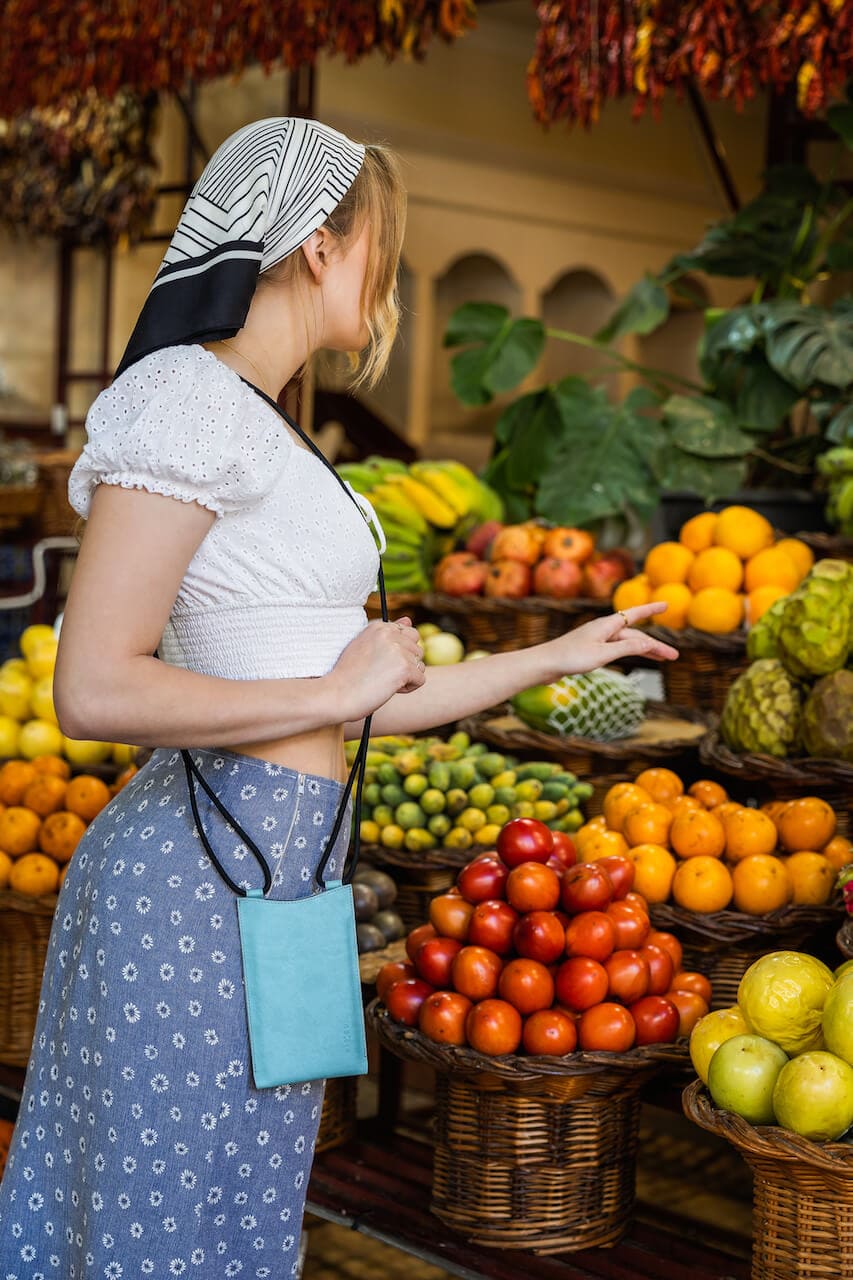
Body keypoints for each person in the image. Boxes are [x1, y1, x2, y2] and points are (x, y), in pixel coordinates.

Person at [0, 116, 677, 1278]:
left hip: (277, 890)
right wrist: (334, 679)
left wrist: (552, 655)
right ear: (320, 242)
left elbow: (350, 705)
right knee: (157, 1230)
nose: (392, 282)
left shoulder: (258, 417)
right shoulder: (187, 399)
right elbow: (93, 684)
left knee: (239, 1216)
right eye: (385, 249)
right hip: (190, 889)